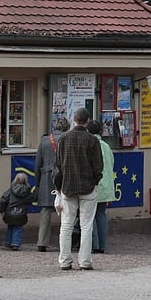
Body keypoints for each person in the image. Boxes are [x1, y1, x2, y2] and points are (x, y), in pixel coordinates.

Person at [54, 107, 103, 271]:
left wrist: (59, 187)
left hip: (68, 186)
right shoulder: (92, 140)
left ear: (73, 119)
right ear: (87, 121)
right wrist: (95, 181)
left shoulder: (63, 139)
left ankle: (65, 261)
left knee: (66, 225)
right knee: (86, 226)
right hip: (88, 187)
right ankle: (85, 261)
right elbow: (98, 166)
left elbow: (58, 166)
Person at [35, 117, 69, 252]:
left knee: (45, 211)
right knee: (67, 210)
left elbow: (38, 164)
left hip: (46, 177)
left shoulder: (44, 141)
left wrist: (38, 183)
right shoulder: (67, 140)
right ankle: (65, 242)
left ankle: (42, 242)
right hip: (64, 177)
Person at [88, 120, 114, 254]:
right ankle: (102, 245)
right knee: (101, 215)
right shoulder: (106, 146)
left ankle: (94, 244)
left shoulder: (90, 145)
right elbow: (112, 163)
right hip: (107, 186)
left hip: (94, 184)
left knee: (90, 215)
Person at [0, 172, 32, 250]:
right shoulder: (27, 192)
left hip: (10, 213)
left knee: (10, 227)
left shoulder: (10, 191)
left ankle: (8, 242)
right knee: (18, 228)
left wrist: (1, 210)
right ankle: (15, 243)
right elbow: (31, 200)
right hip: (21, 214)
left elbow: (3, 201)